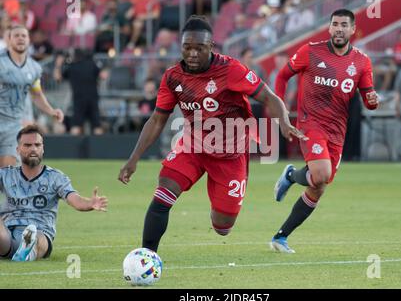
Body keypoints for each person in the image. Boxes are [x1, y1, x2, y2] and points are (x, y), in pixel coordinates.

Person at [118, 15, 305, 253]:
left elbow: (269, 96)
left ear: (211, 47)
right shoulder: (173, 77)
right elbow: (157, 119)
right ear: (181, 47)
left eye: (200, 48)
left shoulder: (231, 70)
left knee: (222, 227)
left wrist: (284, 123)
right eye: (187, 48)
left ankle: (219, 196)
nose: (193, 53)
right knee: (163, 193)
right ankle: (146, 256)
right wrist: (133, 159)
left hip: (230, 155)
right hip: (192, 148)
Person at [270, 9, 380, 253]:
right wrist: (281, 109)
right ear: (329, 28)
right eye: (335, 24)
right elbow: (282, 75)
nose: (339, 28)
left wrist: (373, 100)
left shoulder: (361, 61)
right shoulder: (310, 51)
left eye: (344, 25)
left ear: (352, 30)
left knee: (319, 186)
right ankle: (290, 177)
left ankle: (280, 236)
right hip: (311, 123)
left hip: (337, 131)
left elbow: (368, 99)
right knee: (320, 175)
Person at [0, 124, 108, 261]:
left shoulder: (55, 178)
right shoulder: (6, 174)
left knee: (38, 237)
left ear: (42, 149)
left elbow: (74, 199)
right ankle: (23, 251)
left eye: (37, 145)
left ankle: (28, 251)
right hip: (7, 235)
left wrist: (89, 203)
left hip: (40, 231)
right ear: (18, 149)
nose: (33, 149)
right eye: (27, 145)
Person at [0, 25, 64, 168]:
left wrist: (51, 111)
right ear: (9, 40)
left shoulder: (34, 68)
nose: (20, 39)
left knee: (8, 170)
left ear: (29, 40)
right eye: (16, 36)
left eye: (24, 36)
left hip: (13, 125)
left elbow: (36, 94)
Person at [54, 49, 103, 135]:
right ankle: (101, 148)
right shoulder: (91, 64)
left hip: (79, 100)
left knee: (76, 126)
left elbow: (58, 78)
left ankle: (72, 148)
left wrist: (58, 64)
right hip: (93, 98)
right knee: (97, 126)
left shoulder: (72, 67)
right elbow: (103, 76)